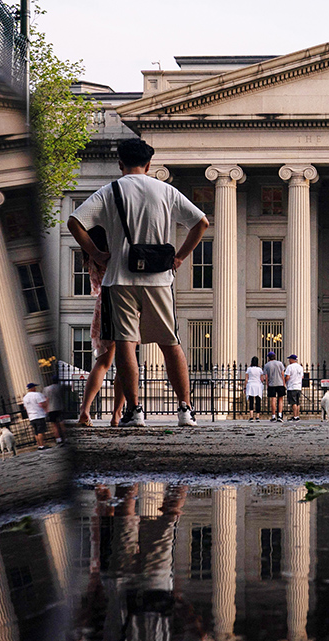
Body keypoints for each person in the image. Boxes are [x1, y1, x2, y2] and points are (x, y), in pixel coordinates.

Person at [67, 137, 209, 428]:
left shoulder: (110, 191)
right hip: (159, 278)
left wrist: (96, 253)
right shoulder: (166, 190)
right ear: (149, 164)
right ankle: (185, 409)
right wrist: (179, 257)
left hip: (119, 277)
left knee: (126, 344)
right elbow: (201, 223)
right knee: (171, 343)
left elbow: (75, 222)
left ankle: (135, 411)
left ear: (120, 163)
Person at [74, 225, 127, 427]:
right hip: (122, 301)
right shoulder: (113, 250)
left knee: (102, 363)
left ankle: (84, 411)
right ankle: (116, 414)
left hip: (103, 304)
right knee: (124, 361)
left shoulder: (92, 254)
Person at [22, 382, 49, 449]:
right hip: (39, 415)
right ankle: (42, 445)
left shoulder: (25, 397)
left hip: (31, 416)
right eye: (34, 387)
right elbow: (42, 403)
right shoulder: (37, 395)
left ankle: (39, 445)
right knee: (41, 431)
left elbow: (25, 407)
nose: (35, 388)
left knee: (36, 432)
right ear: (33, 388)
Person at [262, 351, 286, 421]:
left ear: (268, 357)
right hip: (280, 383)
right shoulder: (280, 363)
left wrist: (267, 384)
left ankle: (273, 415)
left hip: (272, 383)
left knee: (273, 400)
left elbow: (266, 377)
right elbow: (282, 374)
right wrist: (284, 383)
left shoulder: (266, 365)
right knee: (280, 399)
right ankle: (280, 415)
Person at [44, 375, 66, 445]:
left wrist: (46, 409)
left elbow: (46, 399)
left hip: (51, 409)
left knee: (54, 425)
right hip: (60, 407)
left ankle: (58, 439)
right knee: (62, 423)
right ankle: (65, 437)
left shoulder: (46, 389)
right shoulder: (61, 387)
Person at [284, 354, 306, 421]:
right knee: (298, 402)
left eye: (289, 359)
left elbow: (287, 376)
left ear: (292, 360)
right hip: (298, 386)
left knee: (293, 402)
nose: (289, 360)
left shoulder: (289, 367)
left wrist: (284, 382)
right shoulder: (300, 367)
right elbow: (302, 376)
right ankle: (297, 415)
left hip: (292, 386)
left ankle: (295, 416)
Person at [244, 356, 264, 421]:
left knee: (251, 401)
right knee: (258, 401)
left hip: (250, 385)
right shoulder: (259, 369)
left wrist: (244, 387)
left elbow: (246, 379)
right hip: (258, 385)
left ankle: (251, 416)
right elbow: (262, 379)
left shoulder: (249, 369)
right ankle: (257, 416)